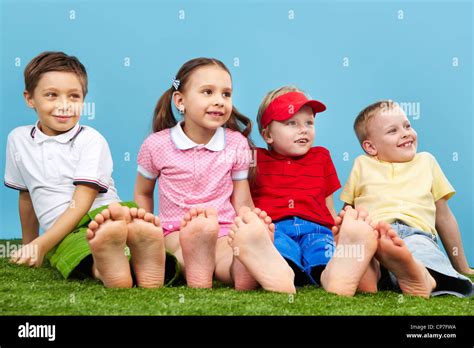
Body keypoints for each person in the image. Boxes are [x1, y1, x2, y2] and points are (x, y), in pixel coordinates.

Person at [6, 51, 171, 289]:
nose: (64, 105)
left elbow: (82, 201)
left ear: (84, 99)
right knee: (86, 245)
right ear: (29, 98)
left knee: (90, 242)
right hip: (80, 228)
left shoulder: (91, 140)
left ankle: (126, 255)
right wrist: (29, 243)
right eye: (51, 95)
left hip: (106, 213)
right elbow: (26, 195)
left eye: (73, 96)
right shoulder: (18, 139)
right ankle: (119, 262)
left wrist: (43, 244)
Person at [134, 57, 295, 293]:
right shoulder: (156, 145)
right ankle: (166, 257)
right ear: (180, 101)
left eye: (226, 94)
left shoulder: (236, 143)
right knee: (179, 251)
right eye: (208, 92)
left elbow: (241, 198)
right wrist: (147, 226)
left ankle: (242, 268)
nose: (219, 101)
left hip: (224, 229)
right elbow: (143, 192)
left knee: (231, 254)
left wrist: (249, 223)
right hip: (176, 230)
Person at [250, 86, 380, 296]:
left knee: (322, 250)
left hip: (317, 228)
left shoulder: (321, 157)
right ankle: (283, 272)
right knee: (277, 249)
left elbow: (328, 206)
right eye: (291, 123)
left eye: (309, 123)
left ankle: (333, 273)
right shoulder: (254, 158)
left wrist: (336, 232)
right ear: (267, 134)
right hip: (275, 228)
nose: (303, 130)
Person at [338, 100, 473, 297]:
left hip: (416, 234)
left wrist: (462, 266)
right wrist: (346, 241)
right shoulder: (362, 165)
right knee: (362, 253)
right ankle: (373, 274)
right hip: (372, 235)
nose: (405, 133)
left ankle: (415, 273)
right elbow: (347, 213)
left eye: (407, 125)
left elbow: (443, 216)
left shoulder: (426, 162)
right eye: (393, 131)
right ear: (370, 147)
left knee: (424, 254)